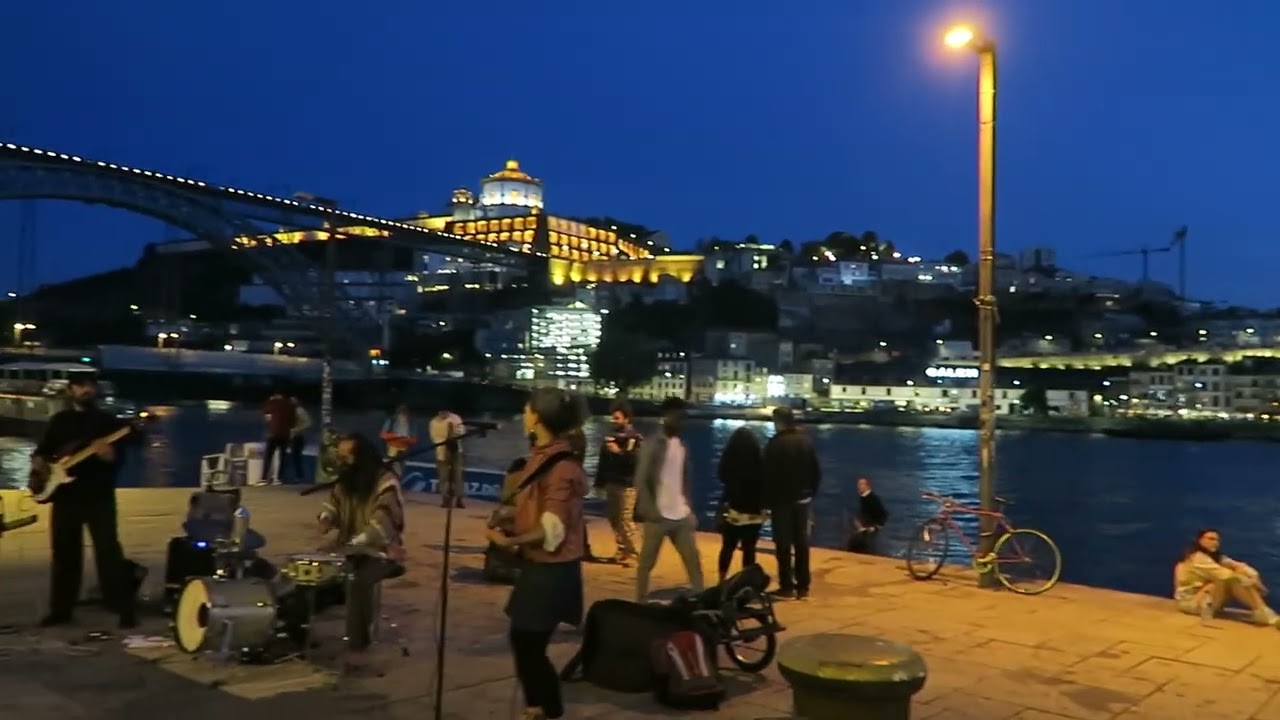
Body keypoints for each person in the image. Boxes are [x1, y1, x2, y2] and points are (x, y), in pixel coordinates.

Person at [486, 388, 588, 720]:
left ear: (537, 417)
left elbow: (552, 528)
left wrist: (508, 543)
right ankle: (539, 709)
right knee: (526, 643)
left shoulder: (560, 466)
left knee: (528, 644)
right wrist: (512, 518)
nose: (524, 413)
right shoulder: (543, 457)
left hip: (551, 571)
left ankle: (546, 710)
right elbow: (539, 512)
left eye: (527, 409)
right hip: (541, 568)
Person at [30, 375, 141, 628]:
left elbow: (118, 460)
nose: (86, 390)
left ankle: (123, 608)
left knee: (108, 552)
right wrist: (38, 463)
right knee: (64, 554)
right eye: (80, 386)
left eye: (90, 386)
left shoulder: (107, 423)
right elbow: (43, 451)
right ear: (71, 390)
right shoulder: (60, 421)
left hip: (98, 496)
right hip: (65, 496)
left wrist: (108, 455)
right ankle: (61, 610)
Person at [317, 433, 407, 670]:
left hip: (381, 552)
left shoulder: (386, 481)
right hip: (349, 549)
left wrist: (354, 543)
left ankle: (357, 645)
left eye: (346, 457)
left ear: (360, 458)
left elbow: (383, 520)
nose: (341, 461)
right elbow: (332, 505)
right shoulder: (346, 479)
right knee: (308, 571)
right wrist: (326, 520)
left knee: (358, 581)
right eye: (340, 456)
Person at [634, 396, 704, 602]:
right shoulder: (653, 444)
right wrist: (649, 510)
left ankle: (700, 599)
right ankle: (640, 602)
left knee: (693, 560)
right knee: (646, 563)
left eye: (683, 417)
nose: (682, 422)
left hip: (680, 514)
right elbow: (641, 478)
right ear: (666, 417)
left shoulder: (681, 445)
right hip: (658, 515)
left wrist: (688, 509)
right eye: (678, 417)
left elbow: (684, 480)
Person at [762, 406, 821, 600]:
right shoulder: (806, 442)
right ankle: (803, 586)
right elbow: (816, 471)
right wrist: (811, 492)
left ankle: (786, 586)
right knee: (802, 543)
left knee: (783, 544)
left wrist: (767, 502)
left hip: (782, 501)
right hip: (803, 499)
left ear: (778, 422)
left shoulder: (775, 444)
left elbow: (767, 476)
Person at [1174, 528, 1278, 626]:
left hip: (1207, 599)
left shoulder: (1215, 557)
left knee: (1238, 576)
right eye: (1210, 539)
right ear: (1200, 540)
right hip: (1191, 602)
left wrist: (1255, 578)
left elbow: (1241, 566)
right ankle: (1263, 612)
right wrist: (1256, 584)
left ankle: (1262, 612)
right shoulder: (1197, 558)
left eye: (1217, 540)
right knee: (1233, 579)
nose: (1215, 542)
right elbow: (1225, 575)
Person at [716, 426, 766, 584]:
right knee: (749, 549)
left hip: (734, 510)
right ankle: (747, 582)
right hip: (754, 511)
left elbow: (722, 477)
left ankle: (722, 579)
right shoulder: (759, 461)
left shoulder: (729, 460)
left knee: (728, 547)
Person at [595, 400, 642, 566]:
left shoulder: (634, 439)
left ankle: (635, 553)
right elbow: (603, 462)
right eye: (613, 418)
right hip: (612, 482)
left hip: (627, 484)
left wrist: (619, 452)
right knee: (614, 518)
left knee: (625, 519)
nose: (613, 421)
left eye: (617, 418)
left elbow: (635, 462)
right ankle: (622, 549)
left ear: (627, 419)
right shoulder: (611, 437)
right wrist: (600, 482)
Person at [428, 408, 465, 509]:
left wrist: (454, 434)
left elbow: (462, 432)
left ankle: (459, 500)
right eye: (441, 412)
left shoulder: (456, 418)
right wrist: (445, 440)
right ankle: (445, 500)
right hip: (442, 452)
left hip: (456, 451)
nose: (443, 414)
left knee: (458, 475)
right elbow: (433, 437)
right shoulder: (433, 422)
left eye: (445, 412)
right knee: (443, 477)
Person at [261, 389, 296, 485]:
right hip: (285, 434)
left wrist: (270, 400)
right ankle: (278, 479)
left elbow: (266, 412)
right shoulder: (291, 405)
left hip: (273, 433)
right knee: (282, 457)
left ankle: (264, 479)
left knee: (268, 456)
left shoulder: (273, 402)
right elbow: (293, 422)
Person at [847, 477, 888, 554]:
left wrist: (875, 527)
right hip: (864, 528)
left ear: (867, 486)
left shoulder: (872, 498)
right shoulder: (864, 497)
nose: (858, 486)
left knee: (861, 546)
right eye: (858, 484)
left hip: (869, 529)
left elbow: (883, 514)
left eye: (861, 484)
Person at [379, 404, 416, 476]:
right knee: (394, 467)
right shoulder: (391, 421)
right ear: (397, 415)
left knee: (400, 470)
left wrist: (406, 439)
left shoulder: (412, 423)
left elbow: (414, 440)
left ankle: (397, 479)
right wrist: (395, 436)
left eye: (405, 415)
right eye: (401, 414)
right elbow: (382, 435)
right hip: (392, 448)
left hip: (404, 449)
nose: (403, 417)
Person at [288, 396, 312, 483]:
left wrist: (296, 430)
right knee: (295, 457)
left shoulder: (300, 411)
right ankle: (297, 475)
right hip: (293, 436)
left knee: (296, 457)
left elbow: (308, 423)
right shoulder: (292, 411)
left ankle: (299, 476)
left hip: (298, 437)